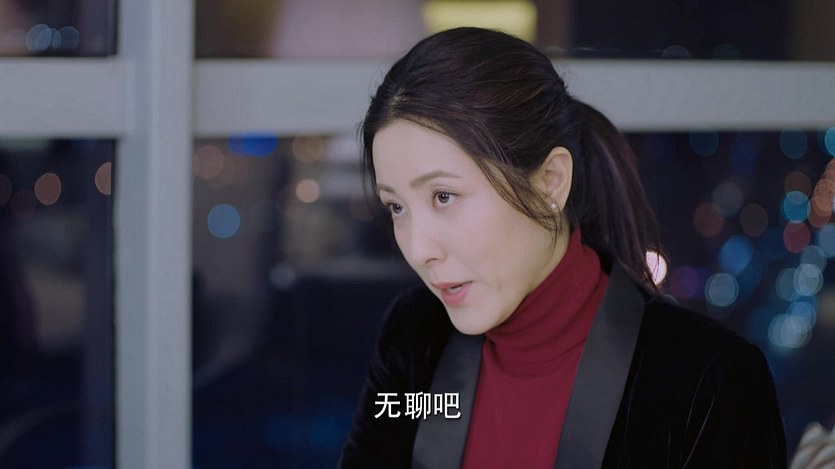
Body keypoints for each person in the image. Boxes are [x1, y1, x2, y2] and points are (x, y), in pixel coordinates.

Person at [339, 27, 786, 468]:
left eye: (443, 196)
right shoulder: (415, 338)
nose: (419, 249)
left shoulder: (705, 380)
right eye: (396, 207)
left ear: (550, 181)